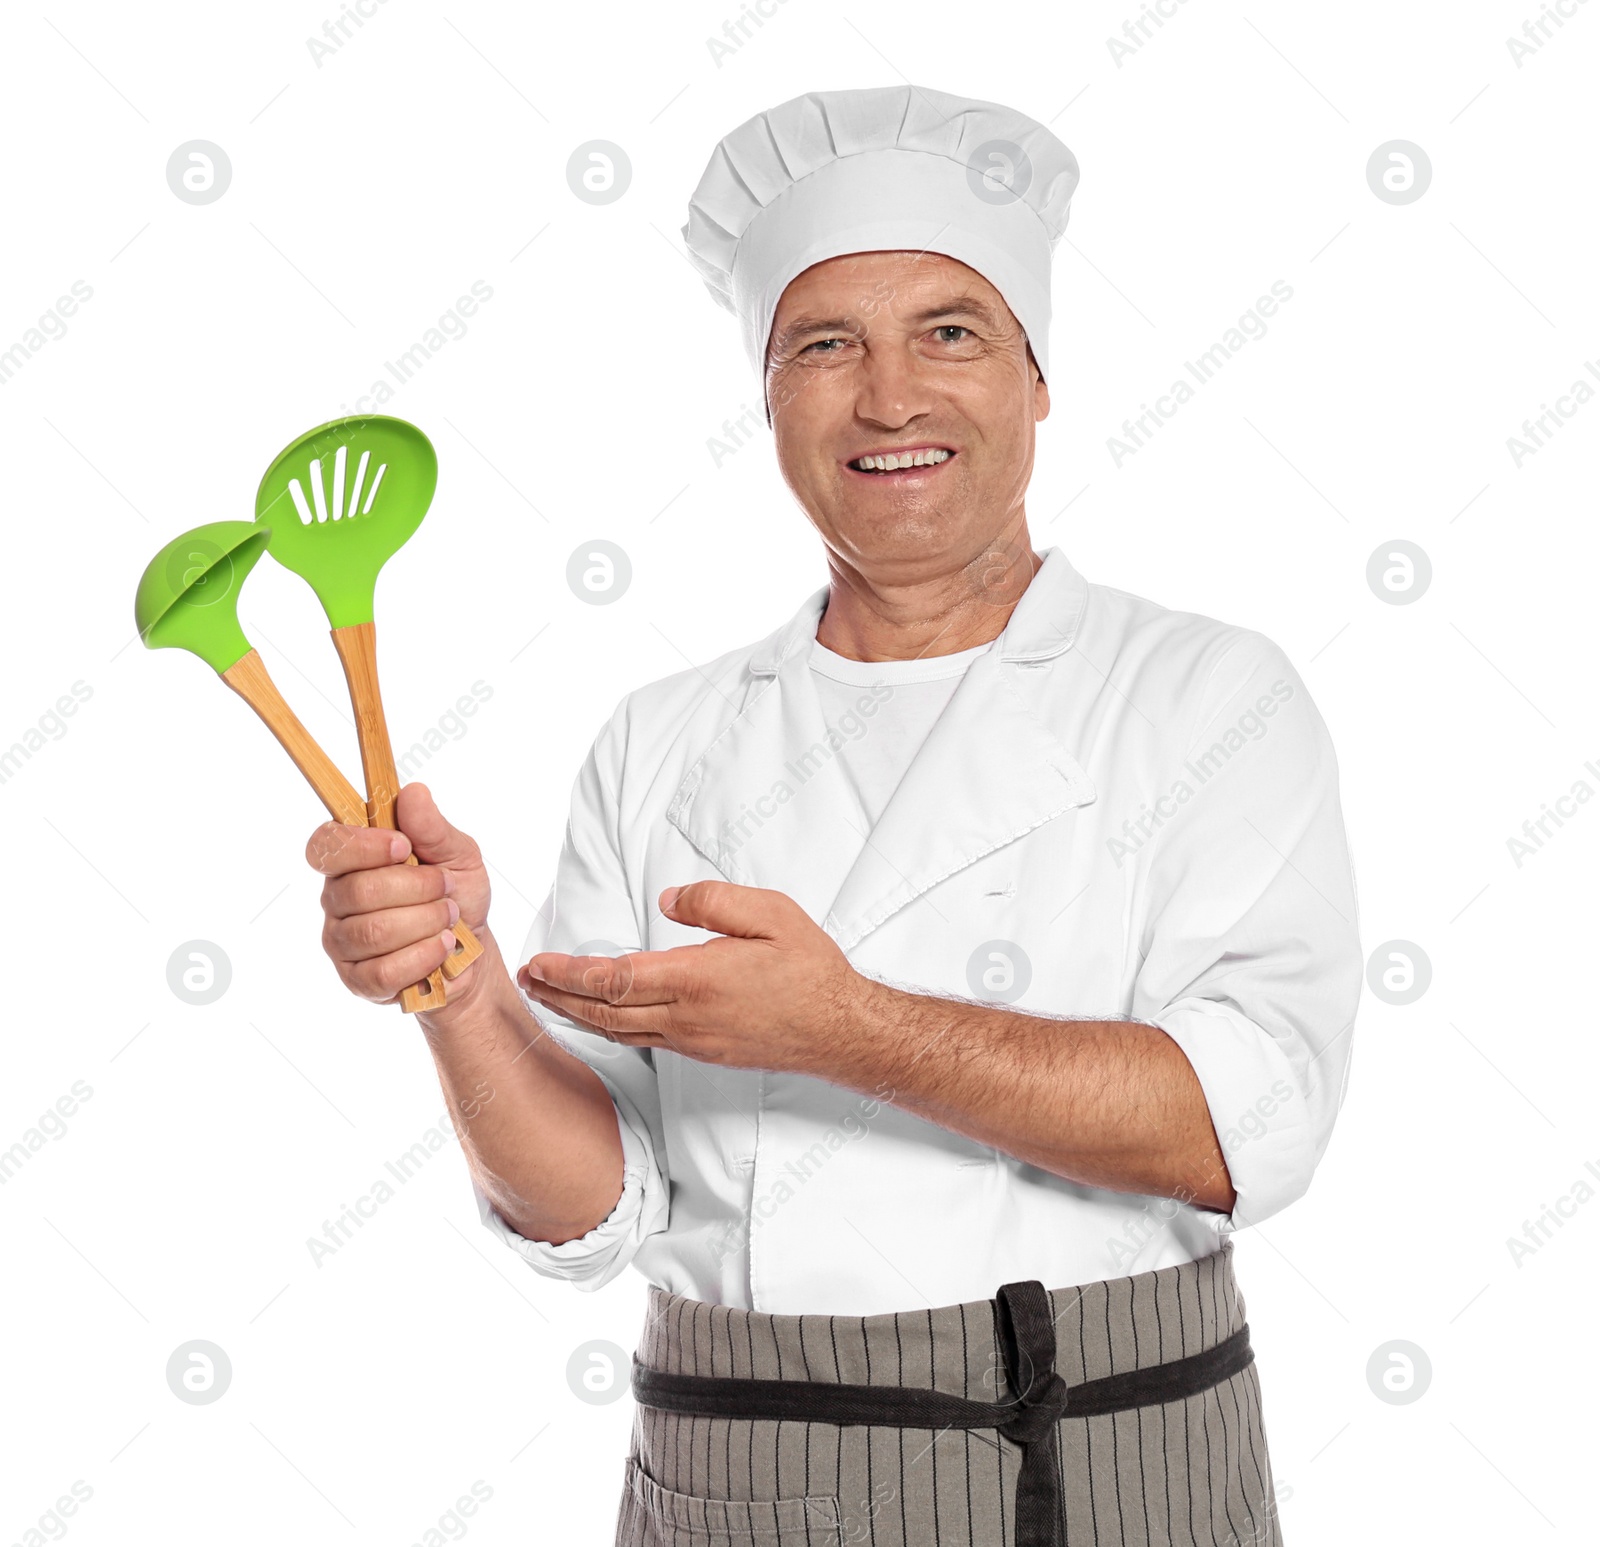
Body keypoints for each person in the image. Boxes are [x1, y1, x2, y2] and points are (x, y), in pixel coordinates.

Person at [308, 83, 1361, 1547]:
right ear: (771, 397)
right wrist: (458, 989)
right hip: (735, 1478)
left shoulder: (1204, 698)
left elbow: (1248, 1126)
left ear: (1037, 377)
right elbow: (598, 1214)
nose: (890, 397)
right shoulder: (664, 739)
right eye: (825, 345)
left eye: (950, 331)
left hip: (1095, 1468)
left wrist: (843, 1028)